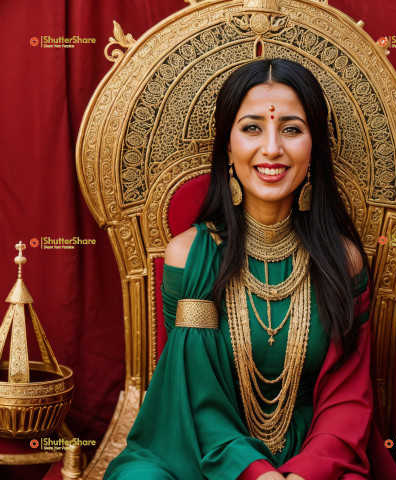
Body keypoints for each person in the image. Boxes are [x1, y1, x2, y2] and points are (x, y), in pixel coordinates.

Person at [104, 58, 372, 480]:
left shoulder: (343, 261)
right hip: (199, 452)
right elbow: (196, 394)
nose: (271, 148)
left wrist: (304, 474)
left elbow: (348, 398)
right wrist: (256, 474)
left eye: (291, 129)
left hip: (309, 454)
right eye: (251, 128)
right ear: (227, 146)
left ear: (314, 146)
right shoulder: (191, 258)